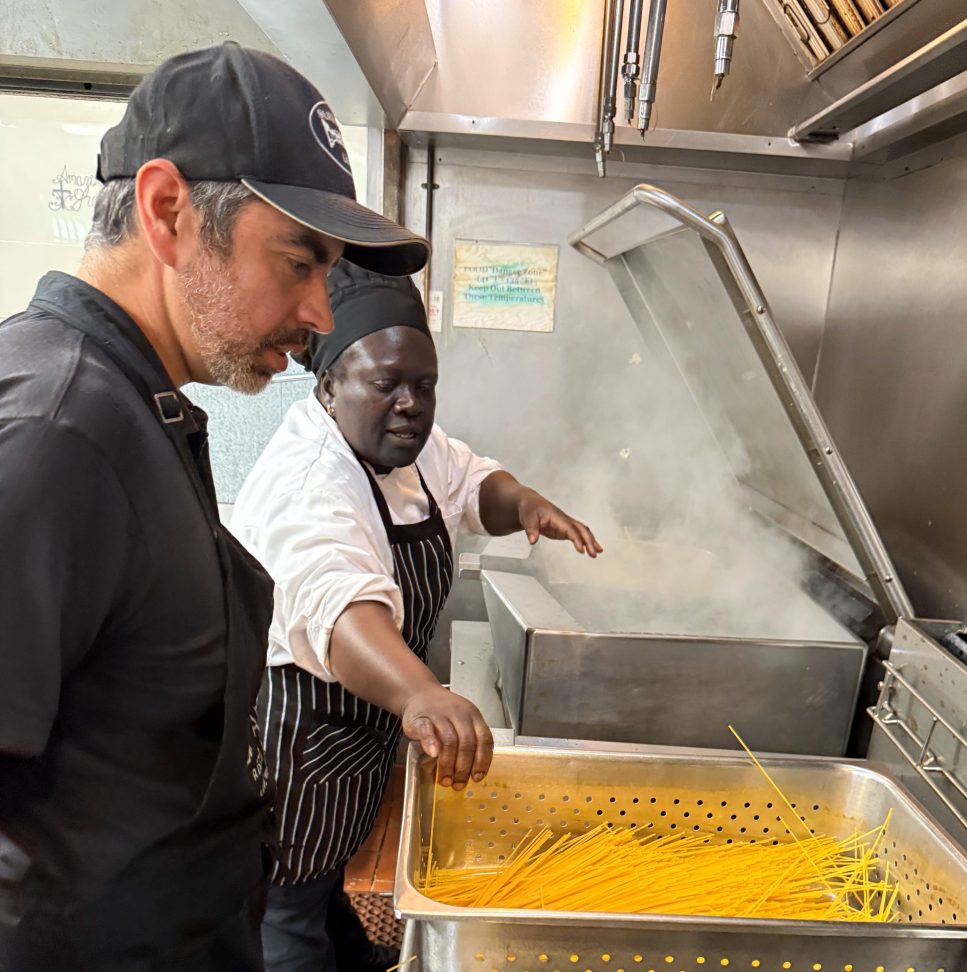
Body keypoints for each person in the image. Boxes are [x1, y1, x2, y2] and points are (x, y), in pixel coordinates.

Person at [0, 43, 428, 971]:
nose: (322, 311)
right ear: (167, 213)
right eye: (300, 260)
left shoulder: (137, 407)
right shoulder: (58, 432)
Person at [232, 261, 602, 970]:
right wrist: (420, 693)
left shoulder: (406, 447)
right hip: (301, 737)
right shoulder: (308, 482)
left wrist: (524, 503)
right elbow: (338, 608)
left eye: (424, 385)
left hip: (360, 730)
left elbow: (471, 481)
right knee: (284, 899)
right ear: (328, 384)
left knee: (323, 871)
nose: (410, 404)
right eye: (386, 384)